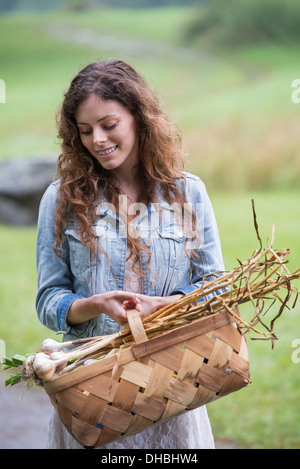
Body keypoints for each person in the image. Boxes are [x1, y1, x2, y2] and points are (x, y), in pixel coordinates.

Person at [36, 59, 225, 449]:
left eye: (109, 124)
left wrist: (171, 305)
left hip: (171, 387)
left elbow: (216, 287)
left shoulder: (188, 193)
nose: (98, 140)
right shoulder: (61, 199)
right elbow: (49, 299)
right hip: (95, 394)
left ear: (139, 118)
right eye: (85, 131)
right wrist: (95, 304)